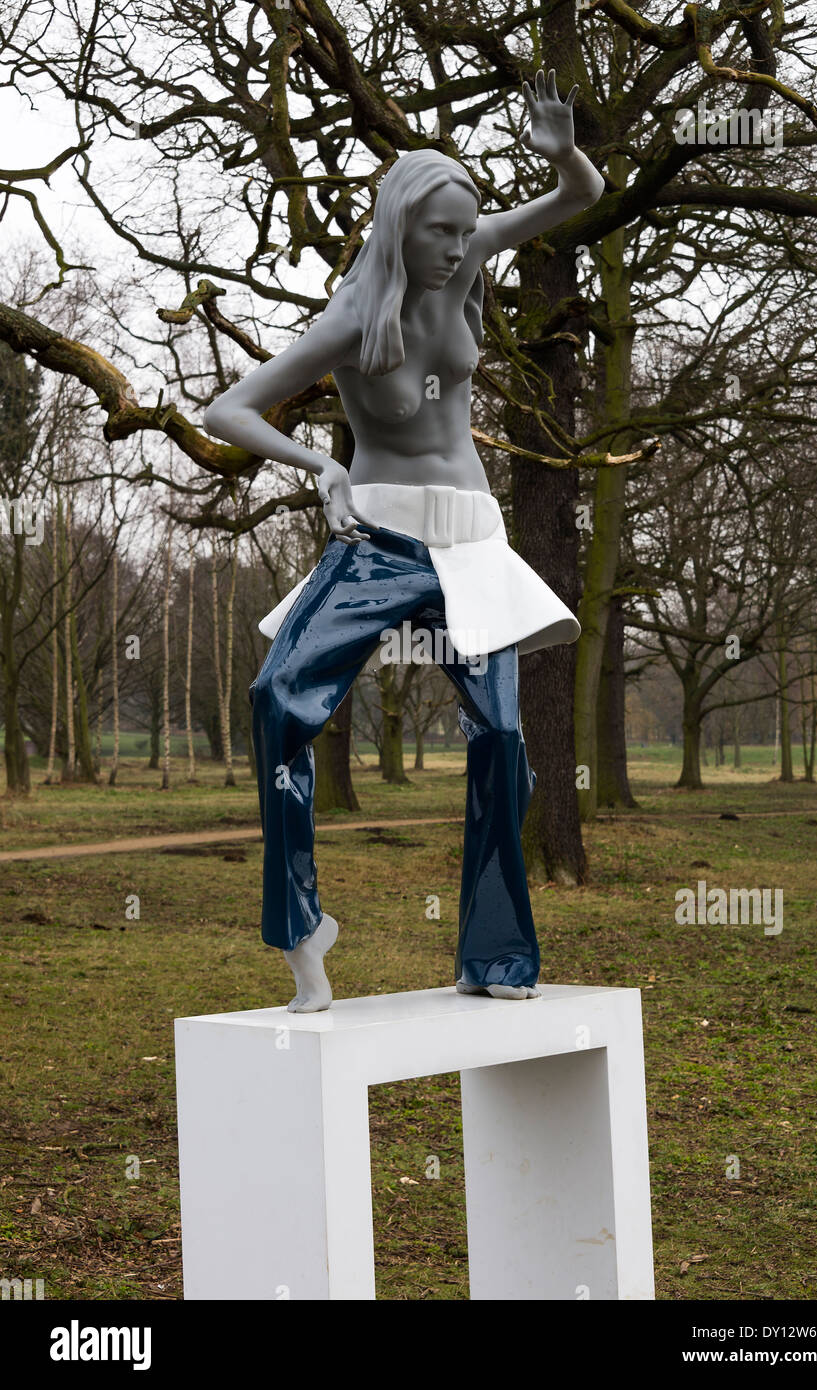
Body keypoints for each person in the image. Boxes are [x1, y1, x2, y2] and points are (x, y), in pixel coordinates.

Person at [204, 70, 605, 1011]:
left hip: (469, 539)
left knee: (502, 738)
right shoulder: (351, 316)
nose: (461, 247)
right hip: (379, 538)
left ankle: (494, 954)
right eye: (441, 231)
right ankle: (300, 925)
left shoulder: (465, 265)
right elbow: (229, 409)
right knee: (278, 700)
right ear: (399, 224)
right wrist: (321, 466)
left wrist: (561, 151)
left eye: (468, 232)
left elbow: (580, 197)